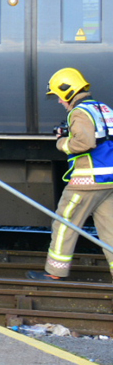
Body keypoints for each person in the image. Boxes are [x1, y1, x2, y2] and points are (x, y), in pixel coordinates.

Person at [26, 68, 113, 282]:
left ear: (67, 91)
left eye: (58, 96)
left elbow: (85, 142)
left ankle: (55, 273)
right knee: (110, 230)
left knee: (64, 223)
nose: (58, 101)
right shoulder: (103, 108)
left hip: (87, 181)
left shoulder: (79, 112)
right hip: (108, 179)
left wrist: (62, 143)